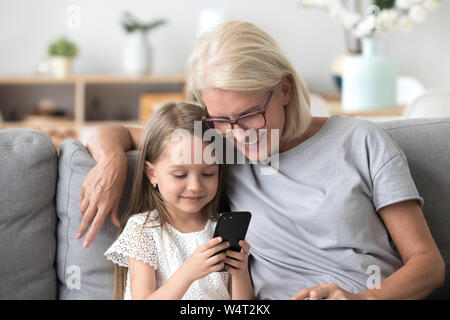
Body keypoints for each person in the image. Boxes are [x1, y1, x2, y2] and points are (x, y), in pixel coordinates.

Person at [78, 21, 445, 300]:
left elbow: (428, 264)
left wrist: (363, 298)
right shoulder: (216, 148)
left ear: (284, 89)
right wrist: (110, 160)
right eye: (220, 119)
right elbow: (119, 134)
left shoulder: (362, 141)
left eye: (250, 114)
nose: (238, 134)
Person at [103, 102, 254, 300]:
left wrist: (240, 273)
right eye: (180, 174)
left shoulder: (220, 230)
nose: (195, 186)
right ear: (152, 174)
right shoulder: (144, 230)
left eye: (208, 173)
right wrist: (188, 273)